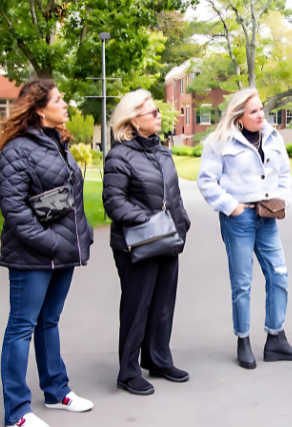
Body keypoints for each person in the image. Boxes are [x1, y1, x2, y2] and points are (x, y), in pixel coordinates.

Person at [0, 79, 95, 427]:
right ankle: (17, 412)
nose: (65, 103)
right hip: (32, 255)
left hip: (63, 251)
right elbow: (14, 209)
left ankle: (56, 392)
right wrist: (50, 243)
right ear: (39, 108)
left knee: (49, 322)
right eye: (58, 99)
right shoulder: (17, 149)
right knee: (22, 327)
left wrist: (83, 234)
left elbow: (71, 198)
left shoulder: (60, 143)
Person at [197, 88, 292, 370]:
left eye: (261, 109)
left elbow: (284, 175)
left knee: (279, 275)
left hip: (268, 216)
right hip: (239, 219)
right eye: (254, 111)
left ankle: (275, 338)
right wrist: (231, 206)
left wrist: (283, 200)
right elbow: (207, 182)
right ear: (239, 116)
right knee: (242, 283)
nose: (261, 115)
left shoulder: (273, 136)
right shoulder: (219, 141)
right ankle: (243, 340)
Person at [103, 89, 191, 396]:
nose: (159, 116)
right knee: (136, 306)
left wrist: (182, 221)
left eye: (157, 111)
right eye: (152, 112)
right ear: (133, 120)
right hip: (137, 243)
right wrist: (151, 222)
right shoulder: (118, 156)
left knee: (163, 305)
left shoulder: (163, 152)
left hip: (168, 238)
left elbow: (174, 195)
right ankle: (128, 372)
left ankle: (157, 359)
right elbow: (114, 203)